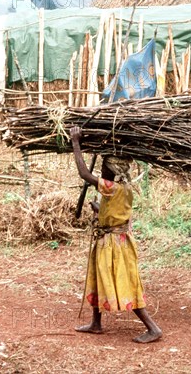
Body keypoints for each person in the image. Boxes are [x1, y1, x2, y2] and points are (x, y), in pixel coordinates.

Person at [69, 126, 162, 344]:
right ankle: (96, 323)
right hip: (112, 240)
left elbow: (83, 174)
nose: (101, 171)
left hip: (113, 244)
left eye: (104, 168)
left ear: (113, 171)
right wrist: (99, 209)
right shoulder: (125, 188)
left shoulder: (111, 187)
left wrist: (75, 142)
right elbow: (118, 212)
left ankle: (153, 328)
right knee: (98, 277)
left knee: (125, 282)